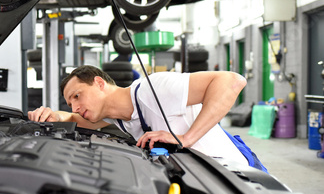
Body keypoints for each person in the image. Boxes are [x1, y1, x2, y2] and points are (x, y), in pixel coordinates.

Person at [28, 65, 267, 171]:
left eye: (77, 96)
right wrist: (51, 114)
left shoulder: (154, 89)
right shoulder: (118, 119)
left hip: (240, 176)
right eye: (71, 102)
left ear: (99, 83)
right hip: (204, 182)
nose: (76, 106)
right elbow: (73, 118)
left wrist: (185, 138)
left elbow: (233, 81)